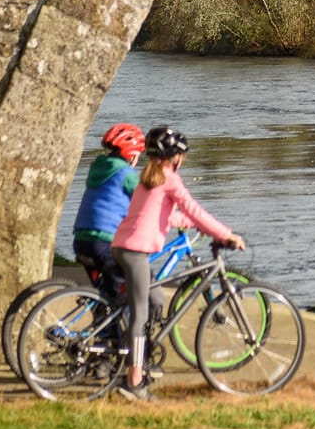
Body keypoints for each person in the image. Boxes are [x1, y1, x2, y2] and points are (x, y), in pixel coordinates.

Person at [110, 124, 244, 399]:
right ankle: (133, 382)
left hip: (124, 247)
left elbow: (164, 217)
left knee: (157, 299)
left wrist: (197, 227)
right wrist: (225, 234)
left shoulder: (149, 180)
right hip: (135, 252)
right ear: (175, 157)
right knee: (140, 315)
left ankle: (136, 359)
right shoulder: (169, 180)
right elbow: (194, 209)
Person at [71, 122, 145, 294]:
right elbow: (149, 203)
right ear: (132, 155)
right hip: (103, 242)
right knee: (130, 288)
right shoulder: (127, 175)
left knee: (106, 294)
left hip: (81, 241)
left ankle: (102, 316)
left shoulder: (98, 168)